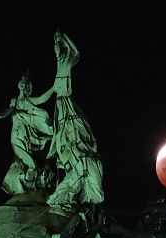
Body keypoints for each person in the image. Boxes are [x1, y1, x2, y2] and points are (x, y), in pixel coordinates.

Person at [46, 31, 104, 209]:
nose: (56, 48)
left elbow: (76, 53)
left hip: (65, 99)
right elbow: (51, 91)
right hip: (60, 100)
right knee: (61, 130)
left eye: (58, 45)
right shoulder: (58, 62)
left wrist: (64, 38)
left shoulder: (68, 59)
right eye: (55, 45)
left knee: (73, 125)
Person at [1, 73, 55, 196]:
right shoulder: (14, 101)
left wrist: (54, 88)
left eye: (26, 83)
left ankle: (27, 183)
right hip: (17, 133)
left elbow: (41, 99)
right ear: (18, 85)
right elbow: (7, 112)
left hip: (26, 135)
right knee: (26, 160)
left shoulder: (29, 100)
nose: (24, 84)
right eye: (22, 82)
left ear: (29, 86)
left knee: (26, 160)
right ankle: (25, 180)